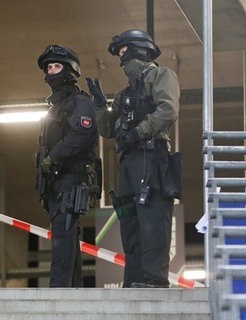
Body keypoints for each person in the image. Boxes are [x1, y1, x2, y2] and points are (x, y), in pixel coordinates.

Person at [86, 29, 180, 288]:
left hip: (152, 156)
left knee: (152, 220)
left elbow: (168, 109)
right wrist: (98, 104)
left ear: (141, 50)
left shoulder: (161, 76)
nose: (121, 59)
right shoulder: (123, 93)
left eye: (124, 52)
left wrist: (138, 132)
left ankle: (154, 280)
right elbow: (106, 129)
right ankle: (135, 280)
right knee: (130, 222)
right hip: (128, 162)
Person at [35, 44, 99, 287]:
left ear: (70, 70)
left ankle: (59, 290)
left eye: (57, 66)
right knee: (66, 236)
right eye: (49, 67)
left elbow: (82, 133)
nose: (52, 71)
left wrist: (54, 158)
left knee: (64, 234)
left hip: (71, 177)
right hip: (57, 179)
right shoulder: (56, 107)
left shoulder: (79, 102)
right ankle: (72, 289)